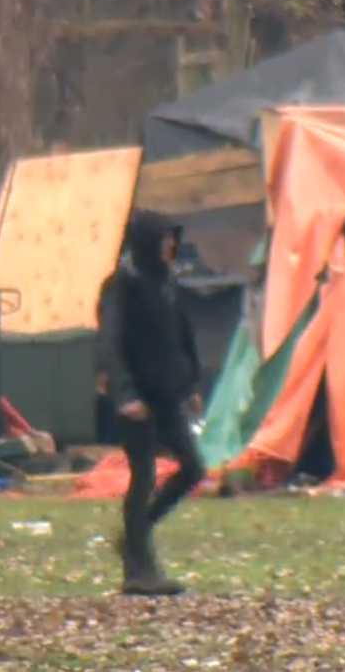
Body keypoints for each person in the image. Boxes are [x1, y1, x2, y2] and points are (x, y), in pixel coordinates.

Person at [97, 209, 206, 596]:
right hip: (138, 399)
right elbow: (110, 342)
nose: (170, 247)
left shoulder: (165, 282)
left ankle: (135, 535)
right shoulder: (121, 286)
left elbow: (179, 334)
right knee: (142, 477)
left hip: (168, 395)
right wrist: (125, 394)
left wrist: (190, 383)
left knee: (193, 468)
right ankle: (139, 570)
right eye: (163, 241)